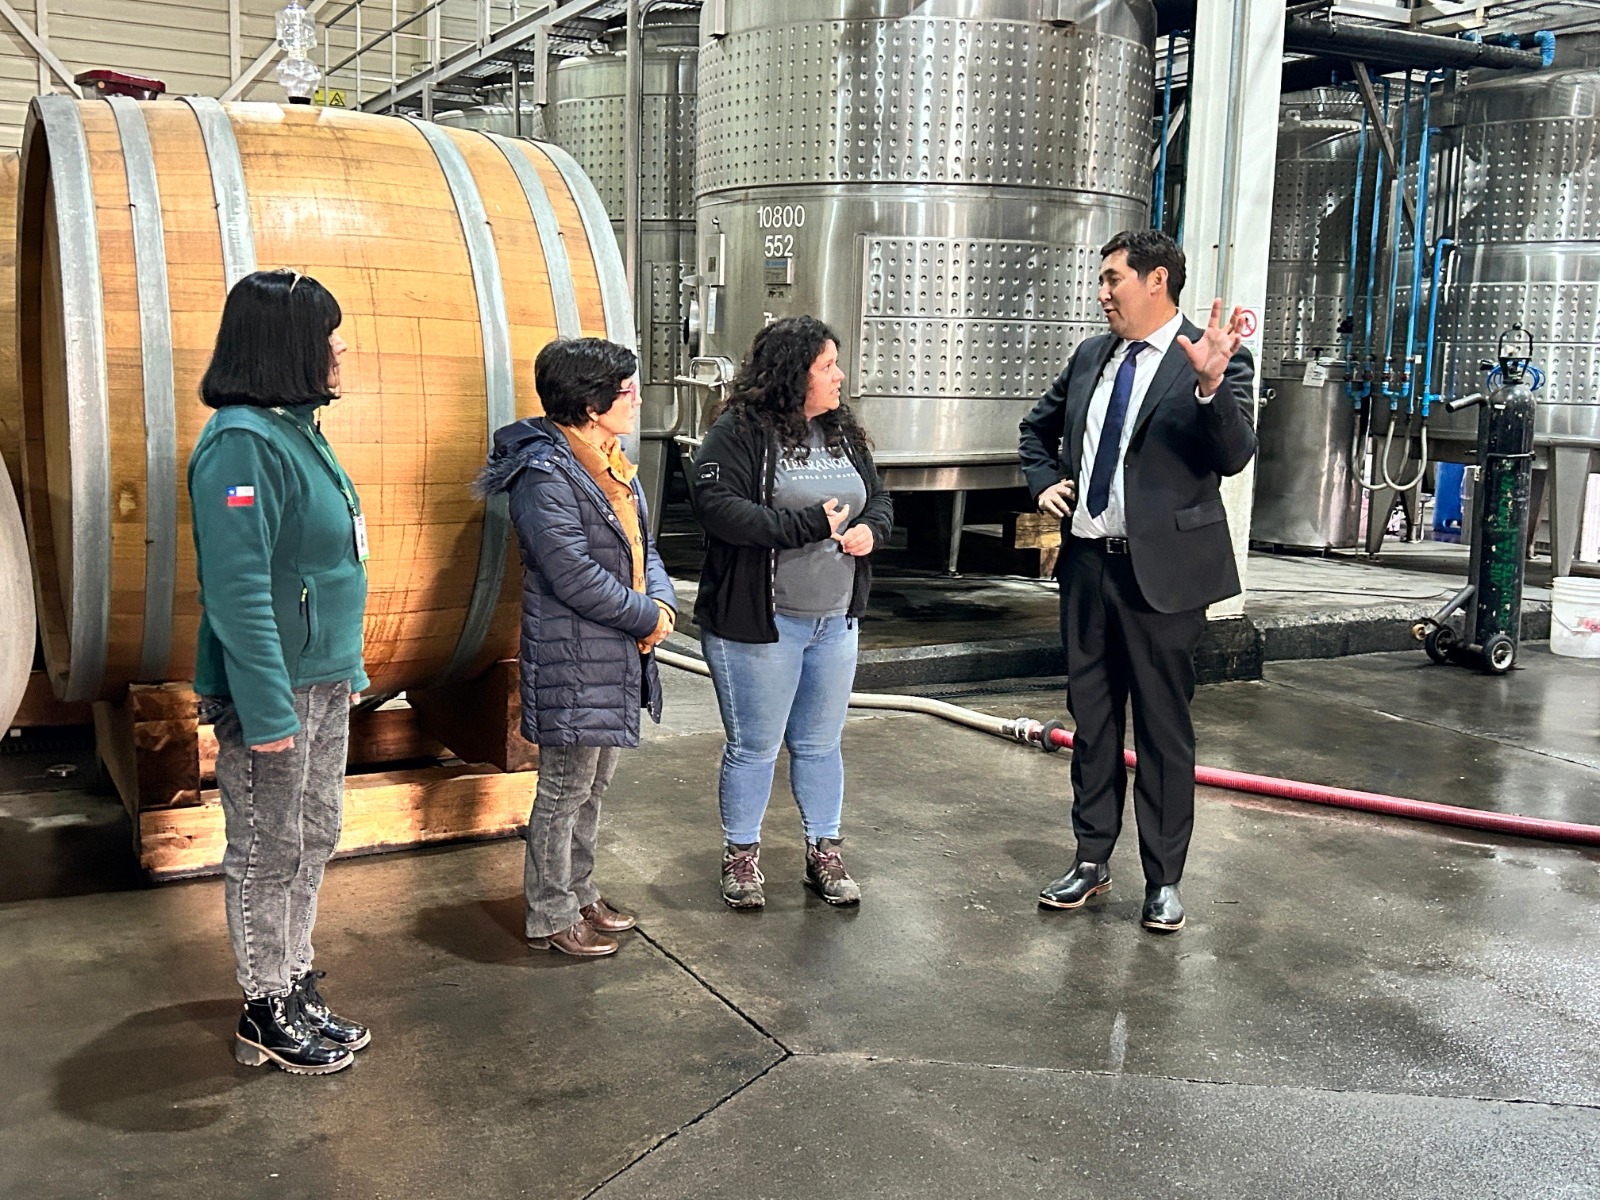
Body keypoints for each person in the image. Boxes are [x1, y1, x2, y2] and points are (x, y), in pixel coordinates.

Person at [1018, 229, 1256, 934]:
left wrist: (1210, 385)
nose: (1102, 293)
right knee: (1093, 723)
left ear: (1157, 281)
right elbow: (1036, 430)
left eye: (1113, 279)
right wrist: (1043, 482)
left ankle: (1163, 879)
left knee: (1161, 729)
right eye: (1102, 280)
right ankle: (1091, 859)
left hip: (1164, 578)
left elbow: (1234, 454)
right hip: (1088, 567)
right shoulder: (1093, 356)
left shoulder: (1212, 357)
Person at [189, 268, 371, 1074]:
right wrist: (265, 712)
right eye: (327, 333)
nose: (341, 346)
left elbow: (325, 566)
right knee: (268, 847)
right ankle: (263, 1004)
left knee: (314, 835)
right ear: (285, 345)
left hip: (322, 679)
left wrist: (348, 667)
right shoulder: (242, 444)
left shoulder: (297, 430)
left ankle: (293, 980)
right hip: (277, 690)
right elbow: (238, 591)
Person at [475, 338, 676, 958]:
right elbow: (574, 575)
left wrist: (663, 603)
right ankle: (550, 912)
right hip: (576, 654)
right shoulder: (545, 474)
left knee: (593, 787)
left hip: (614, 650)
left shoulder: (609, 459)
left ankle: (580, 891)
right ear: (591, 405)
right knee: (564, 790)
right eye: (626, 390)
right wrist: (647, 615)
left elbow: (644, 546)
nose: (636, 398)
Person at [691, 316, 894, 910]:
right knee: (754, 746)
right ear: (793, 374)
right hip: (762, 624)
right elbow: (718, 508)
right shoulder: (739, 430)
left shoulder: (841, 432)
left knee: (820, 743)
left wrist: (872, 531)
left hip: (834, 621)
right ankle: (741, 857)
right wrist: (805, 525)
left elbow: (879, 498)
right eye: (827, 366)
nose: (839, 376)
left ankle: (824, 851)